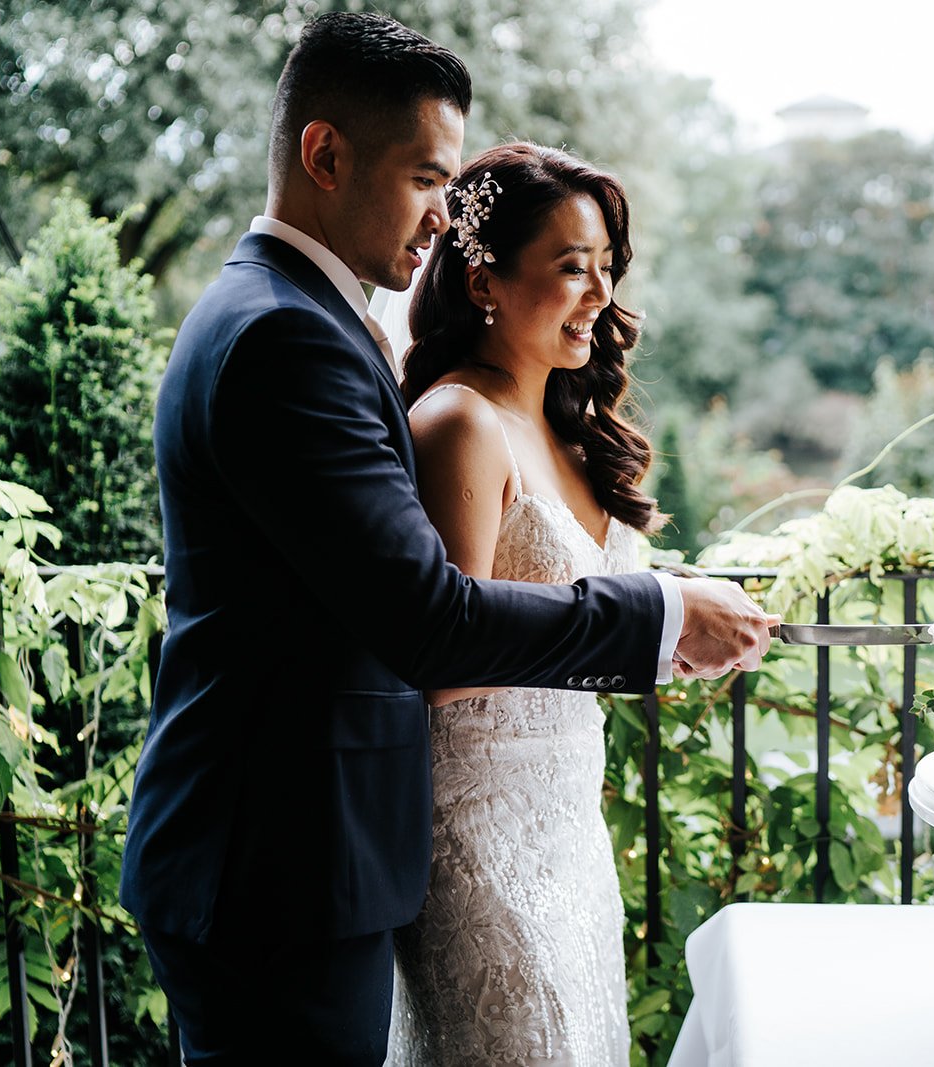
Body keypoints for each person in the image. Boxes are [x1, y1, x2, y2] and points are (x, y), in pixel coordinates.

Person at [119, 13, 777, 1065]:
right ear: (324, 153)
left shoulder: (291, 315)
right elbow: (427, 619)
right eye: (428, 178)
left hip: (291, 850)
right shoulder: (288, 335)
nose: (444, 217)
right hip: (275, 862)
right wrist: (655, 615)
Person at [382, 142, 655, 1065]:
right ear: (484, 279)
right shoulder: (459, 423)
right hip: (478, 850)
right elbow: (443, 661)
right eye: (572, 267)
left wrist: (673, 639)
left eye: (607, 270)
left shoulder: (578, 435)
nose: (598, 294)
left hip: (575, 834)